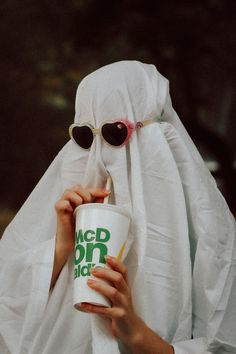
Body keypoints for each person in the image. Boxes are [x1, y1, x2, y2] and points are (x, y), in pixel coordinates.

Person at [0, 61, 235, 354]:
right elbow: (6, 303)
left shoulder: (210, 232)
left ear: (160, 134)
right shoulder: (55, 217)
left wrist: (143, 340)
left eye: (114, 133)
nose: (99, 155)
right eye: (84, 136)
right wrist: (59, 250)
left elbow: (225, 337)